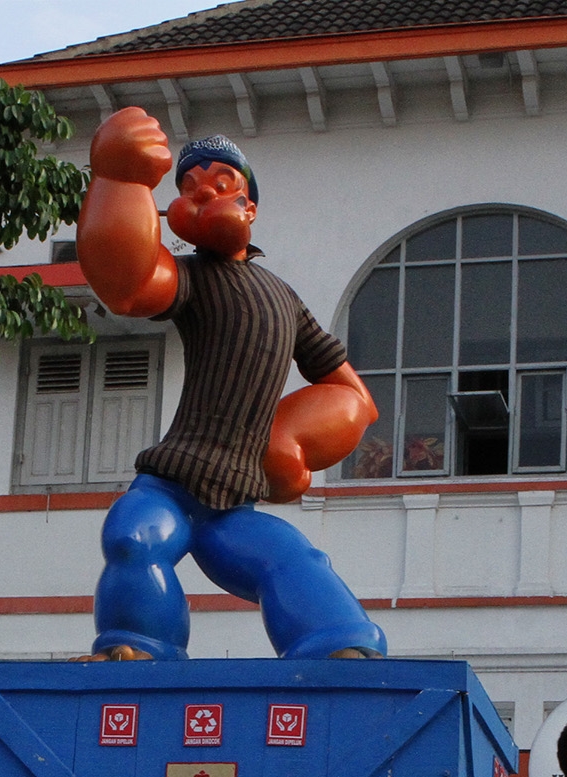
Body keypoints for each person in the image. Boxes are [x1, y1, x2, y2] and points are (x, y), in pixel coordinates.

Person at [72, 111, 386, 662]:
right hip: (170, 480)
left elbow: (353, 394)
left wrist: (294, 441)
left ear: (250, 206)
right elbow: (130, 283)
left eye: (221, 183)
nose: (203, 195)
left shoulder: (285, 299)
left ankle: (339, 645)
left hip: (234, 501)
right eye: (189, 188)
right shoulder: (192, 278)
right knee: (133, 536)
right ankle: (138, 644)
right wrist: (118, 180)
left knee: (293, 559)